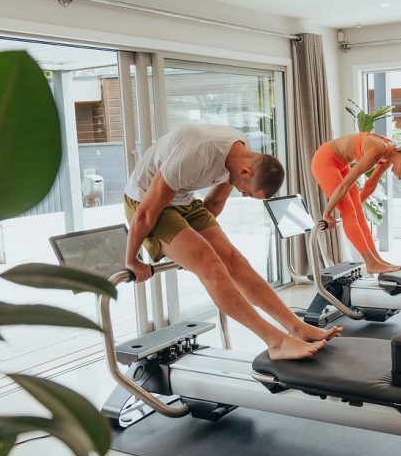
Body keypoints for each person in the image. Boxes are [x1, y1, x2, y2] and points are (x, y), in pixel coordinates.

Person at [124, 123, 340, 360]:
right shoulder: (197, 152)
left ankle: (296, 327)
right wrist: (132, 260)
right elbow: (145, 214)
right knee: (211, 266)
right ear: (246, 173)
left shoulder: (238, 153)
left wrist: (192, 243)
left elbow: (214, 204)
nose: (244, 195)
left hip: (183, 201)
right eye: (248, 191)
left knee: (236, 261)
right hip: (145, 202)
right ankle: (275, 342)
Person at [311, 132, 401, 274]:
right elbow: (344, 185)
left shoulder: (389, 154)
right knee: (350, 213)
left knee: (357, 212)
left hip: (341, 164)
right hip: (325, 161)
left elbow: (370, 185)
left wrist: (356, 206)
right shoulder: (380, 148)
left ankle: (377, 260)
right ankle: (371, 263)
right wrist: (327, 213)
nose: (399, 178)